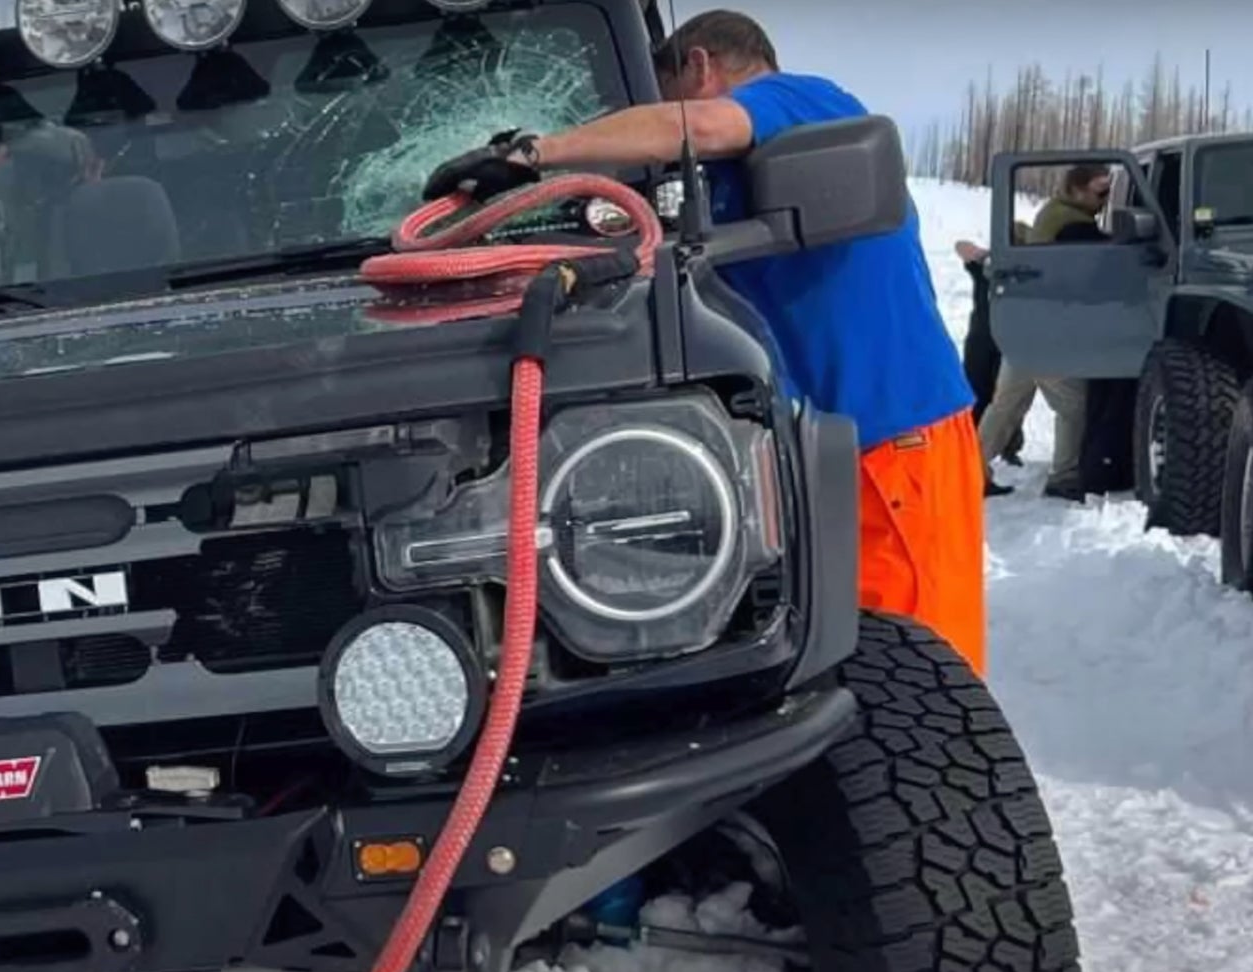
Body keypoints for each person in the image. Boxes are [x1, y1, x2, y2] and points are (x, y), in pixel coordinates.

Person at [419, 9, 988, 675]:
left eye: (661, 101)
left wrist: (532, 155)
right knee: (840, 669)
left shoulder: (805, 101)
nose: (656, 131)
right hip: (815, 455)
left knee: (916, 673)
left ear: (699, 67)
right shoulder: (719, 179)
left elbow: (700, 125)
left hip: (892, 441)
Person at [973, 166, 1111, 502]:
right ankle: (1064, 476)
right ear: (1077, 190)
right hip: (1049, 331)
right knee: (1074, 405)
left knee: (1005, 406)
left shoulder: (1056, 212)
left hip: (1027, 325)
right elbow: (1105, 251)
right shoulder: (1072, 223)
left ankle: (969, 471)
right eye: (1099, 192)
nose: (1104, 200)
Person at [956, 234, 1024, 489]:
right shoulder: (990, 269)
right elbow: (961, 246)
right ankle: (973, 467)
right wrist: (984, 256)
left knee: (1004, 401)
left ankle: (1004, 449)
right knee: (986, 400)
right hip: (984, 344)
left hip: (998, 343)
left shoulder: (1014, 273)